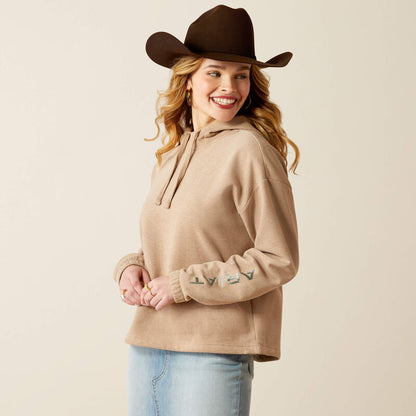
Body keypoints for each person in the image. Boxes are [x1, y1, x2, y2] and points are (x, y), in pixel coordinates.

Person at [113, 5, 300, 416]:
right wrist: (131, 267)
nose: (229, 86)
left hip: (214, 351)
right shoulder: (172, 153)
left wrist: (184, 284)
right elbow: (176, 242)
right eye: (214, 72)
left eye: (241, 74)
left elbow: (279, 258)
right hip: (148, 346)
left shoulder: (250, 150)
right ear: (188, 80)